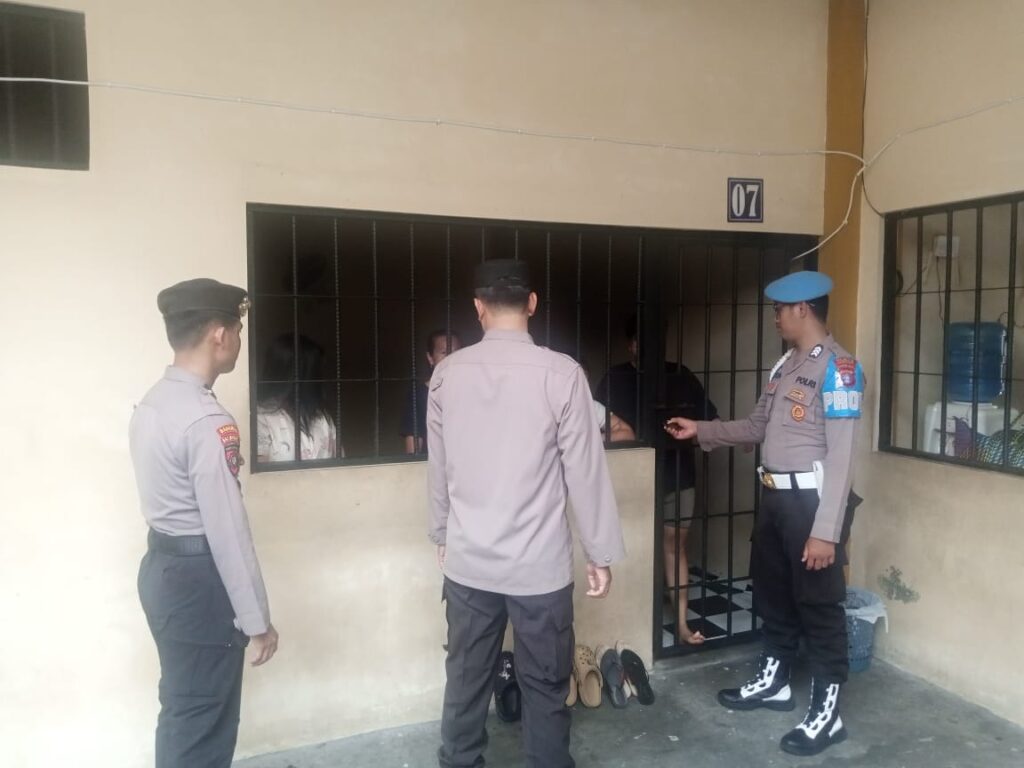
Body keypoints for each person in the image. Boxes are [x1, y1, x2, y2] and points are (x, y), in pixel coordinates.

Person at [427, 259, 626, 768]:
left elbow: (439, 466)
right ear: (532, 303)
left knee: (466, 678)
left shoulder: (446, 374)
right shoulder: (562, 374)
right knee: (545, 684)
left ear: (478, 307)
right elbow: (585, 472)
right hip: (539, 567)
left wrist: (441, 532)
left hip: (469, 562)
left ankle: (459, 761)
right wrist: (599, 552)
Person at [665, 270, 864, 757]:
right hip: (775, 500)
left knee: (819, 606)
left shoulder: (839, 369)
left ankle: (828, 713)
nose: (774, 317)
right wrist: (702, 430)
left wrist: (826, 532)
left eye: (779, 309)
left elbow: (842, 457)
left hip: (812, 506)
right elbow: (757, 427)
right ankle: (775, 684)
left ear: (802, 309)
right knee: (773, 596)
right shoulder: (784, 365)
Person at [130, 278, 279, 768]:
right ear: (220, 334)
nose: (238, 340)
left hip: (162, 569)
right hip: (199, 585)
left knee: (183, 709)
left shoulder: (153, 402)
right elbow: (228, 533)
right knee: (204, 726)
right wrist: (258, 621)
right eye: (238, 330)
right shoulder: (206, 420)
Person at [596, 314, 718, 644]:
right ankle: (627, 628)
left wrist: (738, 435)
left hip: (677, 474)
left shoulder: (681, 375)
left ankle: (681, 624)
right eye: (640, 340)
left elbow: (711, 419)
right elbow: (593, 429)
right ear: (631, 344)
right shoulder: (614, 379)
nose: (647, 347)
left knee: (674, 547)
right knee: (627, 547)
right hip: (629, 478)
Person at [256, 333, 340, 462]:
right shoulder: (260, 418)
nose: (320, 379)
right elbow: (260, 471)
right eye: (315, 372)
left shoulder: (321, 417)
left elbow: (341, 464)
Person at [401, 329, 462, 454]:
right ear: (430, 358)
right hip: (433, 463)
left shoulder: (470, 390)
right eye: (444, 352)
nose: (451, 357)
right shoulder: (418, 395)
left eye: (456, 352)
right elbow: (413, 450)